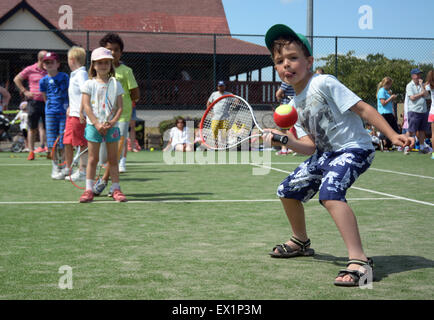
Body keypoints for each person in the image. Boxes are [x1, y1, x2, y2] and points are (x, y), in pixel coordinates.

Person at [263, 24, 413, 287]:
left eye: (293, 58)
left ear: (308, 61)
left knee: (330, 193)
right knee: (286, 190)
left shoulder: (324, 82)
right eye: (279, 61)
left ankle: (361, 261)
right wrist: (283, 139)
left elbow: (363, 108)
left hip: (354, 148)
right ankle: (300, 241)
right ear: (276, 68)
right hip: (324, 155)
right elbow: (309, 146)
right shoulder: (293, 106)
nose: (287, 64)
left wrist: (391, 135)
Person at [79, 47, 126, 203]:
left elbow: (120, 107)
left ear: (110, 65)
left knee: (113, 159)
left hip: (111, 127)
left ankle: (116, 189)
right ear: (94, 65)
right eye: (100, 63)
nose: (103, 65)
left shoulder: (116, 84)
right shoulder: (89, 84)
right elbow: (86, 106)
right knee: (93, 159)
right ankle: (88, 190)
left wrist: (111, 122)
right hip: (94, 127)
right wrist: (97, 123)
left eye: (106, 62)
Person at [99, 33, 140, 173]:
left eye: (116, 50)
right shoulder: (100, 70)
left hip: (122, 112)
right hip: (104, 112)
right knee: (105, 138)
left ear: (121, 52)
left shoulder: (126, 71)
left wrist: (131, 103)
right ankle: (105, 161)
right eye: (109, 49)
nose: (113, 52)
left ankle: (121, 161)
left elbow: (134, 92)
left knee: (121, 137)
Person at [39, 52, 69, 179]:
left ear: (58, 64)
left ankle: (64, 166)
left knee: (64, 141)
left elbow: (69, 92)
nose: (49, 64)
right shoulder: (43, 81)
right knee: (52, 142)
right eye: (46, 62)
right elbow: (45, 97)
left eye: (52, 62)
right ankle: (55, 167)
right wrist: (50, 108)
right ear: (43, 65)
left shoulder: (65, 77)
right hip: (50, 113)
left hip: (64, 113)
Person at [13, 50, 48, 160]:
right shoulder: (30, 69)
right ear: (40, 59)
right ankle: (31, 151)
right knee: (32, 128)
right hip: (34, 103)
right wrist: (25, 91)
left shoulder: (49, 70)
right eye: (46, 61)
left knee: (49, 128)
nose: (48, 63)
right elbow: (16, 79)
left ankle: (50, 151)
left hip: (48, 103)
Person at [64, 46, 89, 182]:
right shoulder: (75, 74)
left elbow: (85, 92)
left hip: (79, 115)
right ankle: (70, 169)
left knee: (82, 143)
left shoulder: (81, 74)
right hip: (72, 113)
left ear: (72, 60)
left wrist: (81, 111)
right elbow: (76, 95)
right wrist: (70, 107)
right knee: (67, 141)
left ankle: (82, 171)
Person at [406, 68, 430, 154]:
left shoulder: (423, 85)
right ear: (413, 76)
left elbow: (427, 96)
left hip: (423, 111)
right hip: (413, 111)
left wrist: (422, 87)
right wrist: (421, 94)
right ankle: (406, 146)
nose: (419, 76)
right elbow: (412, 97)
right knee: (411, 130)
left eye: (420, 74)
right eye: (417, 74)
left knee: (422, 130)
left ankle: (422, 147)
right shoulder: (409, 85)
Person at [206, 81, 232, 147]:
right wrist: (210, 112)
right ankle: (216, 144)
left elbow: (236, 100)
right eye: (219, 86)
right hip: (215, 117)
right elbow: (208, 103)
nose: (221, 87)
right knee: (214, 130)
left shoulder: (229, 94)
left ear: (224, 86)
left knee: (224, 132)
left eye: (222, 86)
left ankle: (224, 145)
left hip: (225, 117)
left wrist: (236, 102)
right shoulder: (214, 94)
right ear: (217, 87)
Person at [376, 77, 399, 150]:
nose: (390, 86)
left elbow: (389, 103)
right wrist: (391, 98)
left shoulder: (387, 91)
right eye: (389, 84)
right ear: (386, 84)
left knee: (395, 129)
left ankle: (389, 145)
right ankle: (382, 143)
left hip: (389, 113)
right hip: (384, 113)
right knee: (386, 130)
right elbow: (383, 103)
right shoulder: (381, 91)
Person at [275, 82, 295, 155]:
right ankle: (292, 148)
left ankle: (284, 149)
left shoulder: (287, 81)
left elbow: (278, 94)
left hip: (286, 107)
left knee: (283, 129)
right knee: (294, 128)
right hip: (296, 107)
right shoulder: (300, 79)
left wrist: (280, 98)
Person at [425, 70, 434, 159]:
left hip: (432, 112)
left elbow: (424, 89)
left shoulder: (429, 86)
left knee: (433, 134)